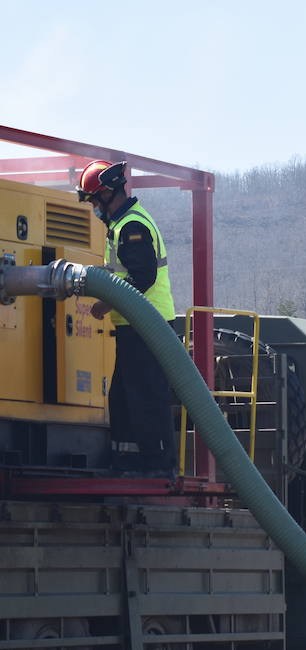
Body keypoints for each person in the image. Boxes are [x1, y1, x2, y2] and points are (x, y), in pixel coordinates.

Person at [77, 160, 176, 478]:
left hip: (148, 325)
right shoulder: (122, 224)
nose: (94, 207)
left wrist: (107, 302)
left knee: (145, 395)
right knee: (123, 397)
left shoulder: (131, 226)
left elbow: (142, 276)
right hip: (135, 326)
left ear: (108, 195)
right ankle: (128, 462)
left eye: (94, 200)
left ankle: (157, 465)